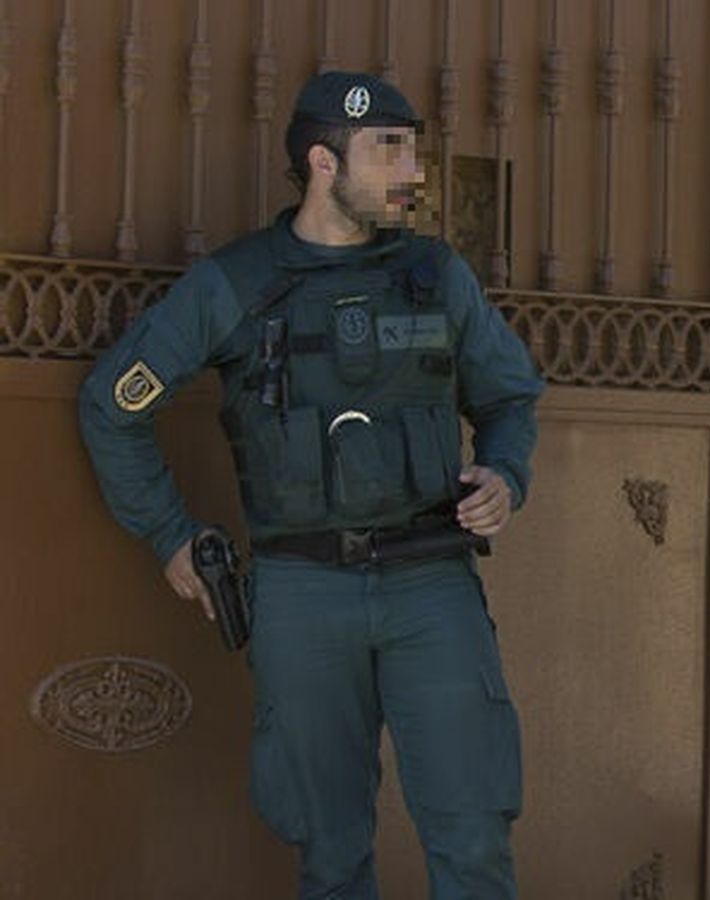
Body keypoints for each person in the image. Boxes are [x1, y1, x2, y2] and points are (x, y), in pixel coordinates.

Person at [78, 72, 543, 899]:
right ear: (325, 161)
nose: (415, 172)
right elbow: (113, 406)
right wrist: (169, 534)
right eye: (389, 150)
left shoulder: (438, 276)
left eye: (414, 148)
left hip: (432, 584)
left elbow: (509, 396)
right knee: (330, 854)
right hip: (303, 593)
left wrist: (505, 473)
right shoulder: (237, 284)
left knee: (474, 842)